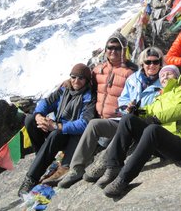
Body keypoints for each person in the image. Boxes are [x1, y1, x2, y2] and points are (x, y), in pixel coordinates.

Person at [58, 46, 163, 188]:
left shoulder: (165, 79)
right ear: (142, 64)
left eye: (155, 62)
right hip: (125, 118)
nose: (152, 65)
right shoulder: (133, 79)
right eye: (148, 62)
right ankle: (76, 168)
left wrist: (141, 112)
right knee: (95, 124)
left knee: (126, 127)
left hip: (145, 124)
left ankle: (104, 163)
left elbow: (164, 104)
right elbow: (123, 100)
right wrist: (127, 107)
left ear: (161, 63)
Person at [97, 65, 181, 198]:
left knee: (153, 129)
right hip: (160, 145)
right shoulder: (159, 97)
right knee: (128, 119)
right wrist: (134, 111)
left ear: (177, 76)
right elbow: (148, 111)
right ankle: (113, 166)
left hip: (179, 143)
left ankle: (123, 179)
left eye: (169, 74)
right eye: (162, 75)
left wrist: (156, 118)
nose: (165, 77)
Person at [18, 63, 96, 197]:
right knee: (30, 120)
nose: (76, 81)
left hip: (70, 134)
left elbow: (85, 123)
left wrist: (57, 126)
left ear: (87, 81)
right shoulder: (64, 90)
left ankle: (31, 178)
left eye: (81, 78)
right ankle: (42, 158)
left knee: (55, 134)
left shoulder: (89, 97)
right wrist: (39, 116)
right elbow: (46, 102)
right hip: (56, 127)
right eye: (74, 77)